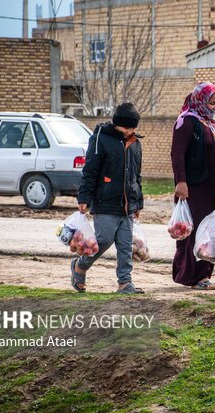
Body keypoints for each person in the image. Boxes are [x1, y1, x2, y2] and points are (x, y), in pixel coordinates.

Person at [70, 102, 145, 294]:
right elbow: (90, 171)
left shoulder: (136, 144)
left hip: (128, 205)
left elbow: (137, 176)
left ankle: (125, 282)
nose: (130, 131)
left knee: (125, 245)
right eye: (127, 127)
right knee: (103, 240)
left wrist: (138, 203)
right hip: (105, 202)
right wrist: (84, 197)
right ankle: (80, 265)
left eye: (133, 127)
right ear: (117, 124)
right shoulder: (100, 139)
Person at [170, 82, 215, 290]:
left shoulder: (210, 123)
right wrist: (181, 182)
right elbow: (177, 154)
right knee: (194, 231)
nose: (214, 107)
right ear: (200, 100)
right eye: (211, 103)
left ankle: (202, 274)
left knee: (209, 230)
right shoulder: (187, 121)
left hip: (211, 187)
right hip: (193, 187)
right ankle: (192, 276)